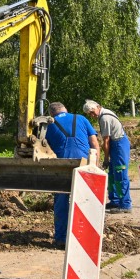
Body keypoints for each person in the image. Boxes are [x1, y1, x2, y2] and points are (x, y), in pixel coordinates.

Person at [43, 101, 100, 248]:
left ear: (51, 114)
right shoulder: (81, 118)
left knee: (61, 200)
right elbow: (94, 143)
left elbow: (44, 149)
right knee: (86, 199)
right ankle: (86, 235)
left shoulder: (49, 125)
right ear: (65, 110)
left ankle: (61, 239)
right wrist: (96, 166)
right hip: (84, 164)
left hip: (62, 166)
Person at [84, 100, 131, 213]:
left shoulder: (104, 118)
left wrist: (106, 158)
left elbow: (106, 141)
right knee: (112, 174)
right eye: (89, 114)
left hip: (119, 144)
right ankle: (114, 200)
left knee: (120, 173)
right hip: (117, 143)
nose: (92, 115)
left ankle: (125, 204)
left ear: (97, 107)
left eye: (92, 112)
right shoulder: (105, 113)